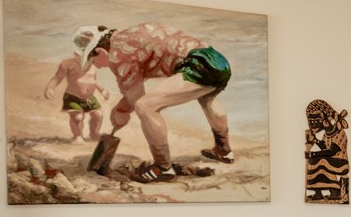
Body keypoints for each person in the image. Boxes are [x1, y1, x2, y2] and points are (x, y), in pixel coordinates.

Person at [74, 23, 235, 183]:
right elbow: (134, 87)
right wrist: (123, 107)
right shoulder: (128, 36)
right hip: (218, 61)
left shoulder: (117, 53)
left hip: (199, 64)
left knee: (145, 107)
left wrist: (121, 112)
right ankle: (223, 150)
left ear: (99, 51)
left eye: (92, 60)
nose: (97, 66)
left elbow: (136, 98)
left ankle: (163, 167)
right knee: (207, 98)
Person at [41, 53, 109, 143]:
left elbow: (95, 80)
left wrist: (102, 90)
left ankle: (94, 133)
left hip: (89, 98)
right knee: (78, 117)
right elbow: (57, 77)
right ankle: (78, 136)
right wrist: (50, 87)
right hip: (73, 97)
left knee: (98, 115)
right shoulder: (68, 63)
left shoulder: (92, 64)